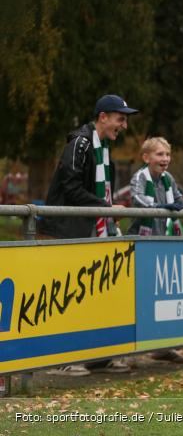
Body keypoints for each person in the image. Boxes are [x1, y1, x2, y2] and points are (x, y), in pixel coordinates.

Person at [42, 94, 138, 376]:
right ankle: (58, 359)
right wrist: (106, 207)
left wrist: (106, 211)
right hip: (66, 232)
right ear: (103, 117)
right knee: (65, 295)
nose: (124, 126)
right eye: (121, 119)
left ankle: (98, 357)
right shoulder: (80, 144)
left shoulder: (104, 151)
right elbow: (70, 189)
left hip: (93, 229)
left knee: (95, 293)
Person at [128, 137, 183, 365]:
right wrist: (165, 207)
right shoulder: (140, 178)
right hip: (143, 244)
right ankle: (127, 349)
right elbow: (139, 202)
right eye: (159, 154)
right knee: (140, 296)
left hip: (166, 243)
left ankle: (163, 347)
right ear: (146, 158)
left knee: (165, 296)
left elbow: (179, 201)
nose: (164, 159)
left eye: (167, 154)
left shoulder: (167, 179)